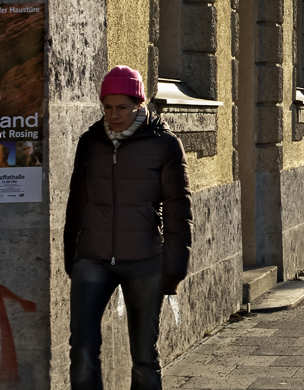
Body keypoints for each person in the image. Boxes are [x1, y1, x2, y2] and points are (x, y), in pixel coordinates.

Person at [64, 65, 192, 390]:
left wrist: (173, 270)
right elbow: (76, 203)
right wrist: (73, 256)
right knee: (81, 348)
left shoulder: (164, 144)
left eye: (121, 107)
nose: (114, 115)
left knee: (144, 356)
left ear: (138, 103)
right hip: (92, 258)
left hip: (145, 261)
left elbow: (179, 209)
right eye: (107, 107)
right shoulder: (90, 142)